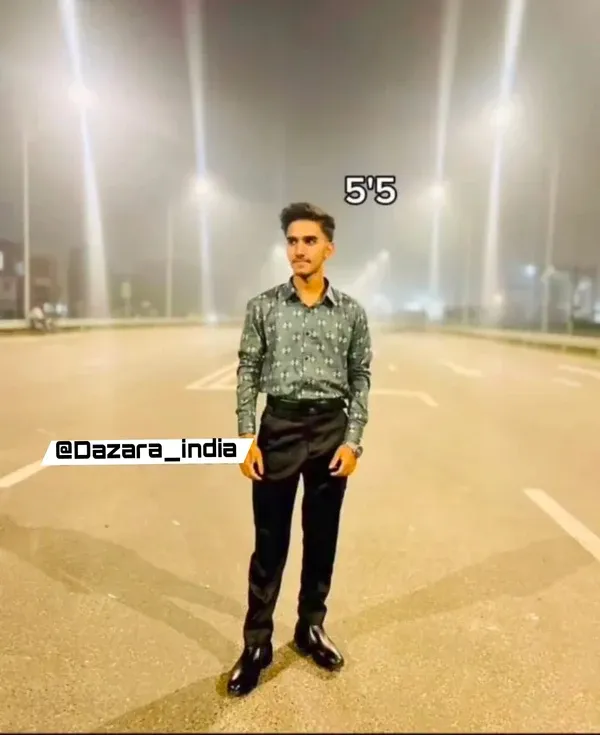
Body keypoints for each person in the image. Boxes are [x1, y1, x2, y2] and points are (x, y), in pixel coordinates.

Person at [228, 202, 372, 697]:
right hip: (280, 428)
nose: (299, 250)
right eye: (292, 241)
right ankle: (256, 644)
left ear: (329, 248)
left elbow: (360, 377)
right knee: (269, 543)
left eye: (309, 241)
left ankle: (310, 626)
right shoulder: (264, 307)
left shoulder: (350, 312)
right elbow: (248, 370)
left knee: (322, 537)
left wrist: (353, 441)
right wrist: (245, 438)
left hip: (331, 429)